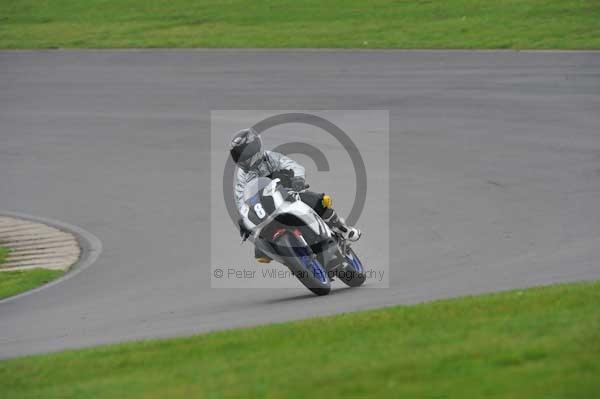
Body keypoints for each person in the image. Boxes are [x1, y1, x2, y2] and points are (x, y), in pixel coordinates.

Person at [230, 128, 361, 263]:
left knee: (319, 201)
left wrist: (297, 179)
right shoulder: (242, 176)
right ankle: (291, 257)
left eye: (246, 153)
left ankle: (342, 229)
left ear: (256, 147)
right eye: (239, 156)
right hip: (265, 206)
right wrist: (245, 218)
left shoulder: (271, 158)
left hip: (286, 193)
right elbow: (241, 200)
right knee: (260, 247)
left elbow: (294, 166)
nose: (244, 159)